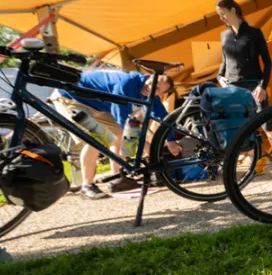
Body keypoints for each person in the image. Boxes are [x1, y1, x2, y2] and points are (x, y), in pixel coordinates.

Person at [51, 70, 180, 199]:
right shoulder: (127, 84)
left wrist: (170, 140)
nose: (152, 88)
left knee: (118, 135)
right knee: (98, 137)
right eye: (153, 83)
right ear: (149, 77)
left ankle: (118, 179)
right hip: (70, 97)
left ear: (160, 94)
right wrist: (145, 145)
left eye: (157, 89)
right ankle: (87, 186)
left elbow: (163, 117)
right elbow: (123, 121)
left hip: (97, 105)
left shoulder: (150, 94)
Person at [215, 0, 272, 163]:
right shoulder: (224, 36)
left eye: (223, 13)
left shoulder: (254, 33)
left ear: (233, 10)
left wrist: (262, 86)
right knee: (238, 128)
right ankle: (253, 163)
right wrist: (220, 78)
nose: (221, 18)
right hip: (232, 88)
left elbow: (268, 62)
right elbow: (225, 61)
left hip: (254, 87)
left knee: (267, 125)